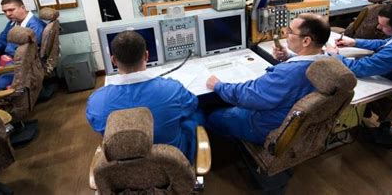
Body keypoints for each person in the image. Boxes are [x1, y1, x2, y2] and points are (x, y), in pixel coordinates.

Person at [205, 14, 331, 144]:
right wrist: (289, 57)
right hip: (296, 127)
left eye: (290, 31)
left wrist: (218, 85)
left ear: (306, 41)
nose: (285, 33)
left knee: (212, 117)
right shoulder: (330, 62)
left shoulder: (287, 73)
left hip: (264, 127)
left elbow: (248, 96)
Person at [86, 31, 202, 163]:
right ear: (146, 55)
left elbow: (98, 127)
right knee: (196, 115)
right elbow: (193, 104)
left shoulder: (96, 101)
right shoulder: (172, 89)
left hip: (124, 172)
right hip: (172, 167)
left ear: (113, 60)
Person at [328, 1, 392, 82]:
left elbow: (360, 68)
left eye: (383, 26)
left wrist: (335, 56)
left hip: (389, 83)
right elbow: (386, 43)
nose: (378, 27)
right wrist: (354, 42)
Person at [0, 0, 46, 92]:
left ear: (22, 8)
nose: (8, 14)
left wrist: (6, 61)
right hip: (10, 57)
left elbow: (28, 52)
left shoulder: (34, 26)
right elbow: (2, 38)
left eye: (11, 10)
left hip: (21, 62)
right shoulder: (13, 23)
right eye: (5, 11)